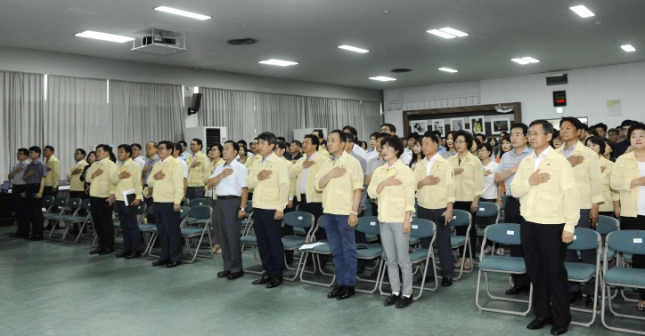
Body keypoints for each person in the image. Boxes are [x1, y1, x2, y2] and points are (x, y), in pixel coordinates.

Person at [511, 120, 579, 335]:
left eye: (536, 133)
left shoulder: (560, 162)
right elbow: (514, 190)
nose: (531, 137)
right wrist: (529, 181)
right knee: (535, 272)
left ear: (549, 136)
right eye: (529, 133)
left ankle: (561, 319)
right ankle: (542, 314)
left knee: (554, 272)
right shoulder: (525, 162)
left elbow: (571, 195)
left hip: (552, 224)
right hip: (529, 223)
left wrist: (569, 226)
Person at [556, 117, 603, 307]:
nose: (564, 131)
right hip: (562, 206)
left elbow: (595, 182)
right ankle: (573, 289)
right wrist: (567, 163)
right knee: (566, 250)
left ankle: (592, 292)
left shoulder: (589, 154)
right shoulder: (556, 155)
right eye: (562, 128)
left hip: (583, 205)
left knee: (587, 249)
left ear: (579, 131)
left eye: (568, 128)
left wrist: (595, 206)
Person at [367, 135, 416, 308]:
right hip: (384, 219)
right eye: (383, 147)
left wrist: (407, 220)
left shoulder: (406, 171)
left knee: (403, 259)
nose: (384, 150)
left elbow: (410, 198)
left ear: (397, 150)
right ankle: (395, 291)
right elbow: (372, 193)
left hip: (399, 219)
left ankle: (407, 293)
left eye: (388, 147)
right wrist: (385, 182)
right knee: (390, 259)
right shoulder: (380, 171)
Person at [315, 130, 363, 300]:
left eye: (333, 140)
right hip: (329, 213)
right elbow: (319, 185)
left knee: (348, 250)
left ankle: (349, 285)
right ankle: (340, 283)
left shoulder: (353, 162)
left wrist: (353, 212)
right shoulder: (326, 163)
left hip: (345, 214)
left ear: (343, 143)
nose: (329, 143)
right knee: (336, 251)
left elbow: (358, 189)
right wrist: (331, 174)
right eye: (328, 140)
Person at [246, 132, 290, 288]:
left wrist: (280, 208)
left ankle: (277, 275)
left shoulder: (280, 163)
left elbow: (284, 186)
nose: (259, 146)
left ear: (272, 145)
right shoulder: (256, 161)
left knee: (274, 243)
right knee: (262, 243)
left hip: (272, 208)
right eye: (258, 143)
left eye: (263, 143)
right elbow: (249, 183)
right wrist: (259, 176)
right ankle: (267, 272)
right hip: (258, 207)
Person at [610, 122, 645, 311]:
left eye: (642, 135)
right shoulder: (623, 160)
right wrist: (636, 181)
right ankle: (644, 296)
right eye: (634, 136)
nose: (638, 138)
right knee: (640, 255)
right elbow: (614, 182)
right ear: (629, 139)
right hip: (633, 213)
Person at [494, 123, 532, 295]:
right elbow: (497, 177)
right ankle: (519, 282)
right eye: (512, 134)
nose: (514, 137)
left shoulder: (533, 154)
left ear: (526, 136)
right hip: (512, 202)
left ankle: (533, 281)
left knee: (530, 243)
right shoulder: (506, 156)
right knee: (514, 241)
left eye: (518, 134)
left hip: (530, 202)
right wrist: (512, 169)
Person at [415, 131, 455, 286]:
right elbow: (413, 185)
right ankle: (429, 273)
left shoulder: (445, 165)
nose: (423, 146)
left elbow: (451, 189)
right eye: (422, 144)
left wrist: (449, 209)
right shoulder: (419, 165)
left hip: (440, 207)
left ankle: (447, 274)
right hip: (423, 206)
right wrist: (423, 182)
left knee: (443, 242)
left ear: (435, 145)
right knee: (425, 242)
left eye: (426, 143)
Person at [207, 141, 249, 280]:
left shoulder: (240, 168)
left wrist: (242, 208)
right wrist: (222, 175)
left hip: (233, 202)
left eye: (227, 149)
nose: (224, 151)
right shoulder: (220, 168)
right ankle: (227, 267)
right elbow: (210, 183)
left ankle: (237, 268)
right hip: (219, 202)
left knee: (232, 237)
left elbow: (244, 189)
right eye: (223, 149)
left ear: (235, 152)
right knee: (223, 237)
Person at [448, 131, 484, 270]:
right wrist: (452, 172)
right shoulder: (450, 160)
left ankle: (469, 258)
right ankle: (461, 258)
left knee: (470, 230)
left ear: (467, 143)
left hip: (469, 199)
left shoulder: (475, 161)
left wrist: (476, 199)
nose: (458, 144)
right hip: (454, 199)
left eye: (461, 141)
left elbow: (478, 182)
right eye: (456, 141)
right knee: (459, 230)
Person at [291, 134, 329, 260]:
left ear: (314, 145)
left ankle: (321, 258)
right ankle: (310, 256)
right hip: (302, 199)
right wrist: (302, 165)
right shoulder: (302, 160)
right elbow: (290, 174)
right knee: (307, 228)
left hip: (317, 200)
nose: (304, 145)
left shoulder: (323, 159)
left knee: (319, 230)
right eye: (303, 142)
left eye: (307, 142)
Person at [148, 141, 185, 268]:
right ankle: (164, 257)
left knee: (172, 232)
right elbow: (149, 182)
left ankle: (176, 257)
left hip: (170, 202)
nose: (159, 150)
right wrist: (155, 176)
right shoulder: (158, 164)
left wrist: (177, 201)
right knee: (162, 232)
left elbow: (179, 184)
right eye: (159, 148)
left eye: (162, 148)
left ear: (170, 151)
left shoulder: (175, 164)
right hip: (157, 202)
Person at [111, 144, 143, 259]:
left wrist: (138, 197)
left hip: (129, 199)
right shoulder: (119, 166)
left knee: (132, 225)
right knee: (124, 226)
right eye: (118, 152)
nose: (119, 154)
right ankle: (127, 249)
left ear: (128, 153)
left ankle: (136, 250)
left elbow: (137, 182)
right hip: (119, 199)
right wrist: (120, 175)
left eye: (121, 152)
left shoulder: (134, 165)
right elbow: (113, 181)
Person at [86, 144, 117, 254]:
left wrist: (112, 195)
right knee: (97, 223)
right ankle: (101, 245)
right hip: (94, 196)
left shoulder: (111, 164)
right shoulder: (94, 164)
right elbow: (87, 178)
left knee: (106, 223)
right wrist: (94, 174)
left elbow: (113, 182)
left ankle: (109, 246)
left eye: (99, 151)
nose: (97, 153)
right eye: (96, 151)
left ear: (106, 152)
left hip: (105, 197)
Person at [585, 136, 620, 218]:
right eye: (588, 145)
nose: (591, 148)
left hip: (605, 205)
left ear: (601, 147)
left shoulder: (610, 164)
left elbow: (615, 188)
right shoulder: (582, 164)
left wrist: (616, 205)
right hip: (586, 204)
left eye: (594, 145)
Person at [22, 146, 47, 241]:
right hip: (29, 187)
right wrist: (27, 175)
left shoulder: (41, 165)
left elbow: (43, 178)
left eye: (32, 152)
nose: (30, 154)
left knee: (37, 212)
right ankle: (34, 232)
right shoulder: (29, 165)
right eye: (30, 153)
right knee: (31, 212)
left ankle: (39, 233)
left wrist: (40, 192)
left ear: (38, 153)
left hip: (37, 187)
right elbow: (24, 178)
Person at [204, 144, 225, 253]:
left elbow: (222, 179)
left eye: (214, 149)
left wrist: (213, 176)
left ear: (220, 152)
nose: (212, 151)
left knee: (220, 221)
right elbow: (204, 179)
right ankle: (216, 243)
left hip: (219, 196)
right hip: (210, 194)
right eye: (211, 149)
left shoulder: (223, 163)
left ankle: (222, 244)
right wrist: (212, 175)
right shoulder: (210, 164)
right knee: (214, 221)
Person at [8, 148, 30, 239]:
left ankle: (26, 231)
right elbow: (9, 176)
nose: (18, 155)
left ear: (26, 156)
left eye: (21, 154)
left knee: (24, 211)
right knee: (17, 211)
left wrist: (26, 191)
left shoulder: (28, 165)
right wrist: (16, 171)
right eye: (18, 153)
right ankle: (19, 230)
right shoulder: (16, 165)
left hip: (23, 188)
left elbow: (29, 180)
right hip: (16, 188)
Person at [365, 133, 389, 217]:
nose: (378, 144)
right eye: (377, 141)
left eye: (381, 141)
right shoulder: (372, 161)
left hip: (391, 201)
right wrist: (379, 172)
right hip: (375, 200)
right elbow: (367, 181)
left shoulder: (394, 161)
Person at [142, 141, 160, 223]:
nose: (147, 150)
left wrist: (152, 188)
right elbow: (143, 175)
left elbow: (159, 176)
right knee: (148, 210)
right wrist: (144, 170)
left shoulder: (159, 160)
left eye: (150, 147)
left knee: (154, 210)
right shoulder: (147, 160)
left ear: (156, 149)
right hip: (146, 186)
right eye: (146, 148)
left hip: (154, 187)